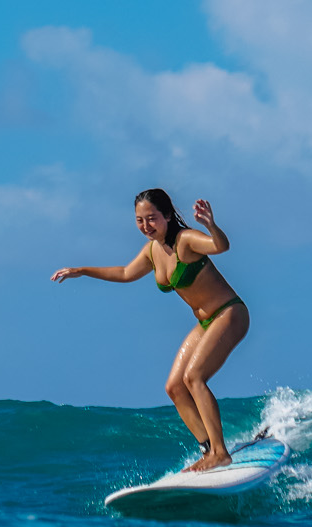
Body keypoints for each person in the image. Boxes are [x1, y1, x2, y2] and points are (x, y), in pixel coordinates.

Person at [51, 189, 249, 471]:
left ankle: (220, 453)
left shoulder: (186, 240)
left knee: (194, 377)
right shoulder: (152, 251)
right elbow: (125, 273)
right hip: (205, 323)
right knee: (174, 387)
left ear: (167, 215)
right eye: (139, 220)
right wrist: (82, 270)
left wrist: (211, 226)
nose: (146, 226)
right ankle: (208, 450)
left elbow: (221, 246)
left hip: (229, 313)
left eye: (152, 218)